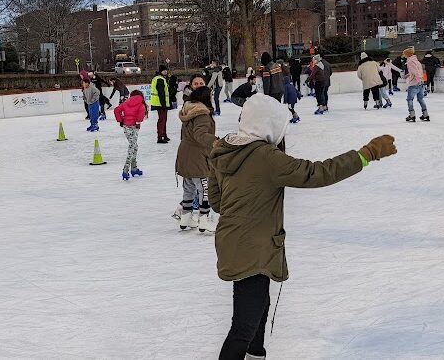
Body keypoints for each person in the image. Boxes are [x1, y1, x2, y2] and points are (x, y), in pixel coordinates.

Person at [209, 93, 397, 359]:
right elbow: (316, 173)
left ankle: (255, 355)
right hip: (253, 248)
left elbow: (217, 202)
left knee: (259, 307)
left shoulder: (225, 149)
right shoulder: (265, 156)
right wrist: (366, 155)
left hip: (233, 243)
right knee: (243, 326)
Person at [174, 86, 218, 233]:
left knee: (189, 186)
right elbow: (201, 135)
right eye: (210, 95)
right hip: (197, 155)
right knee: (204, 188)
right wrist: (216, 141)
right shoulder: (201, 114)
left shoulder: (189, 110)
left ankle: (186, 217)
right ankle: (204, 219)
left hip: (185, 153)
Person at [114, 90, 147, 181]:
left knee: (135, 146)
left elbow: (117, 110)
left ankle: (134, 168)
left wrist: (120, 120)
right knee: (132, 146)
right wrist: (137, 122)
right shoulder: (141, 104)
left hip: (126, 127)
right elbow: (141, 115)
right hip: (134, 127)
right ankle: (126, 169)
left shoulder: (126, 102)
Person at [404, 47, 430, 122]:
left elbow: (415, 72)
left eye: (404, 54)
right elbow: (417, 71)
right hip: (420, 83)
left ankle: (412, 115)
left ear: (407, 55)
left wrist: (418, 80)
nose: (403, 55)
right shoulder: (416, 61)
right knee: (420, 99)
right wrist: (409, 75)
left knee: (410, 99)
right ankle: (425, 114)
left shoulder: (410, 61)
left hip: (414, 83)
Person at [150, 65, 171, 143]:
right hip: (160, 103)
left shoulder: (160, 78)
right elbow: (161, 93)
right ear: (160, 71)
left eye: (166, 70)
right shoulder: (159, 79)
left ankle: (164, 135)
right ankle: (160, 137)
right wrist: (163, 104)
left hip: (160, 103)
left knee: (163, 120)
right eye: (164, 70)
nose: (166, 71)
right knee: (162, 120)